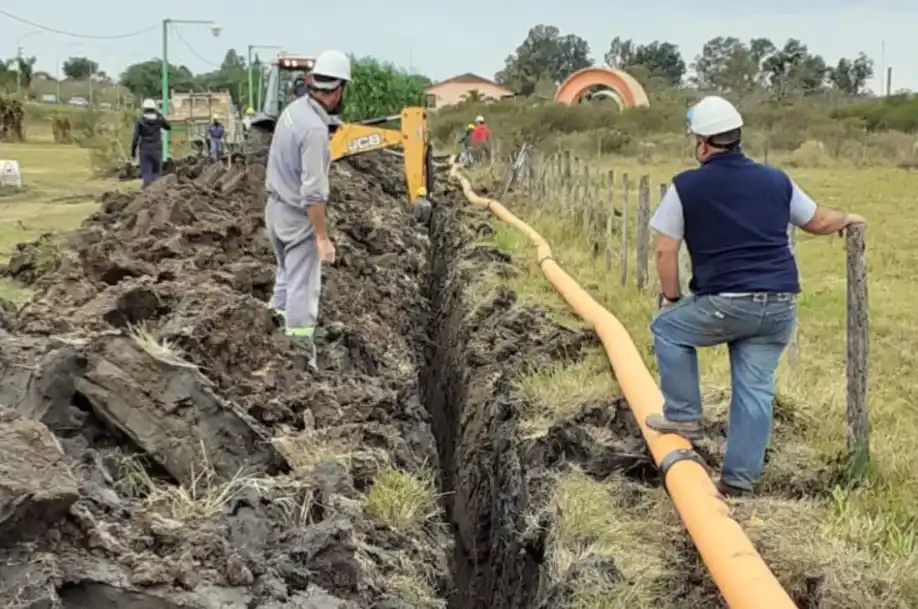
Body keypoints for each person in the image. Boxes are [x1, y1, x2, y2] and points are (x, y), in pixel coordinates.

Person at [646, 95, 867, 497]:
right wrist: (849, 218)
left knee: (668, 328)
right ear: (738, 138)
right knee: (755, 389)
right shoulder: (776, 179)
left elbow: (665, 249)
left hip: (725, 303)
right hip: (779, 307)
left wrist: (672, 298)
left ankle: (683, 416)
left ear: (703, 144)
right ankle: (738, 483)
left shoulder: (686, 186)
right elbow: (816, 221)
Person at [264, 49, 351, 370]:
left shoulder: (293, 110)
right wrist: (321, 238)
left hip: (274, 209)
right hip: (296, 217)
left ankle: (271, 330)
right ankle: (300, 362)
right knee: (303, 289)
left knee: (285, 277)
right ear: (338, 89)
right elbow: (314, 193)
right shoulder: (314, 131)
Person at [130, 98, 171, 188]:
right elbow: (168, 127)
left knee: (147, 173)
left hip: (144, 149)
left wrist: (133, 152)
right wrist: (160, 115)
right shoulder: (159, 120)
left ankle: (146, 193)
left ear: (144, 109)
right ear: (154, 109)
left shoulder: (140, 121)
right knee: (157, 173)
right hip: (157, 148)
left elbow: (135, 138)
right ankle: (157, 193)